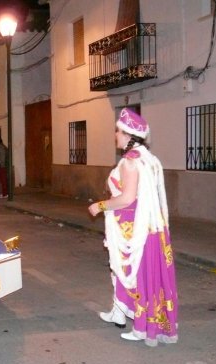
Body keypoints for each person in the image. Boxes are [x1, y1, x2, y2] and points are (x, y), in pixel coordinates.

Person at [88, 108, 178, 347]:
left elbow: (127, 198)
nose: (115, 135)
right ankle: (119, 311)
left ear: (128, 135)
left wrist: (100, 205)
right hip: (146, 225)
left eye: (117, 131)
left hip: (132, 228)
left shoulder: (130, 162)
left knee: (135, 274)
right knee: (120, 270)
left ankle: (142, 328)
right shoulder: (148, 158)